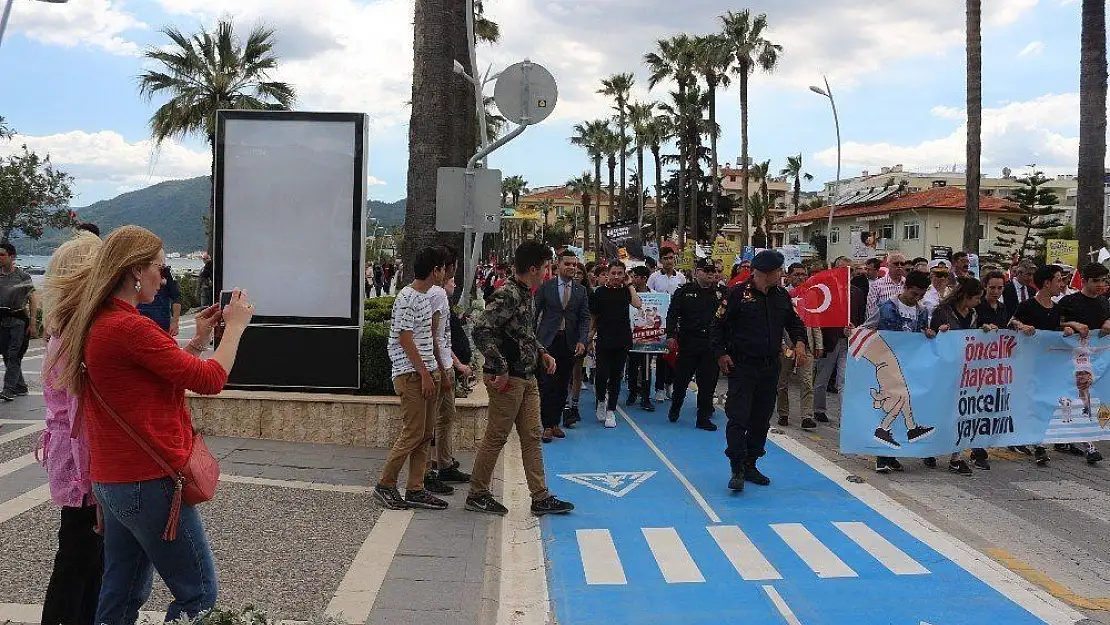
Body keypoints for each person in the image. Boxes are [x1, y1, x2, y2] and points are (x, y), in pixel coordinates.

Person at [54, 225, 252, 624]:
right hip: (149, 480)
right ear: (135, 271)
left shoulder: (101, 321)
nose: (165, 278)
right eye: (161, 269)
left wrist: (197, 341)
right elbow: (210, 380)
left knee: (123, 590)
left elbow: (160, 376)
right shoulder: (129, 327)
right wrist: (235, 329)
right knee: (198, 594)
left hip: (113, 481)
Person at [467, 241, 574, 517]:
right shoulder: (507, 295)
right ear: (533, 268)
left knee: (531, 437)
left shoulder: (527, 293)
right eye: (546, 268)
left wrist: (542, 352)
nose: (547, 273)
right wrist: (499, 367)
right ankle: (477, 493)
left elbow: (523, 332)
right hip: (508, 380)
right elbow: (481, 330)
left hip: (527, 376)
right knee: (497, 436)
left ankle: (540, 496)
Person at [38, 232, 104, 625]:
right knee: (78, 559)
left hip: (69, 458)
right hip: (81, 467)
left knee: (83, 558)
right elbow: (79, 416)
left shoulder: (60, 330)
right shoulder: (76, 338)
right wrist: (91, 485)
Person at [713, 250, 807, 492]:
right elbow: (717, 326)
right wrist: (721, 354)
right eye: (778, 271)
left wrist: (798, 343)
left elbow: (795, 322)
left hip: (769, 367)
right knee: (738, 417)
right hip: (742, 366)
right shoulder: (736, 294)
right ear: (766, 273)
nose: (781, 275)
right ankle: (737, 467)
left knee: (761, 419)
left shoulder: (780, 296)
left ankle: (751, 463)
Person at [374, 247, 450, 511]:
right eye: (442, 268)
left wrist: (435, 371)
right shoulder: (407, 297)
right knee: (413, 432)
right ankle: (386, 484)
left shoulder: (424, 297)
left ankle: (416, 487)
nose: (444, 273)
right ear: (434, 270)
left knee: (425, 434)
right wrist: (425, 374)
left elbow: (423, 336)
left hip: (426, 373)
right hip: (412, 375)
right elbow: (404, 338)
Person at [861, 270, 936, 473]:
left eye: (921, 295)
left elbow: (922, 333)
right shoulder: (887, 307)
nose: (917, 298)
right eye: (914, 294)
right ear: (905, 287)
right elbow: (868, 327)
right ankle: (884, 450)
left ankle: (892, 446)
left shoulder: (921, 311)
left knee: (903, 399)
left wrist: (927, 333)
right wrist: (854, 332)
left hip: (907, 365)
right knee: (898, 399)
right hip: (888, 362)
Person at [424, 246, 474, 495]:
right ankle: (425, 473)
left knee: (446, 417)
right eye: (450, 269)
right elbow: (433, 338)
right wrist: (445, 372)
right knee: (428, 423)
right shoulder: (436, 295)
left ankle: (443, 464)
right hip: (438, 369)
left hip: (444, 366)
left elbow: (443, 339)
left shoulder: (441, 296)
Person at [1009, 264, 1070, 467]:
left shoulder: (1057, 308)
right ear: (1046, 283)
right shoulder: (1027, 306)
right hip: (1027, 365)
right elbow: (1011, 323)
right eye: (1058, 279)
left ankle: (1040, 441)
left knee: (1046, 404)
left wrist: (1069, 328)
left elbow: (1056, 329)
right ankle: (1033, 442)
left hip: (1049, 366)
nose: (1061, 284)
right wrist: (1021, 326)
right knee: (1031, 403)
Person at [929, 276, 991, 474]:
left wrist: (985, 331)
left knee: (963, 413)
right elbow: (931, 338)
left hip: (966, 372)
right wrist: (939, 332)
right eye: (977, 298)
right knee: (940, 413)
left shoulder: (972, 314)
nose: (979, 302)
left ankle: (956, 457)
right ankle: (929, 449)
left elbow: (973, 337)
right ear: (965, 296)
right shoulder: (942, 312)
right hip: (945, 370)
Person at [1053, 261, 1110, 464]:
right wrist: (1071, 324)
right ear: (1085, 281)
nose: (1101, 285)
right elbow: (1052, 323)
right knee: (1081, 397)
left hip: (1097, 359)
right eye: (1096, 281)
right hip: (1072, 358)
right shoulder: (1070, 301)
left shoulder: (1104, 303)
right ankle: (1089, 444)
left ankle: (1075, 437)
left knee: (1089, 398)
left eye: (1104, 281)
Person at [666, 257, 728, 431]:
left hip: (711, 345)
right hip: (689, 343)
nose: (711, 274)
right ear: (696, 273)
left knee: (708, 383)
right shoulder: (684, 292)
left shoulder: (722, 293)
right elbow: (672, 315)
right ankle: (675, 407)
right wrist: (670, 335)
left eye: (713, 271)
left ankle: (703, 417)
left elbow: (728, 319)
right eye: (706, 271)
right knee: (681, 381)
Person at [534, 249, 590, 442]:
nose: (572, 268)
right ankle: (547, 425)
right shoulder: (545, 287)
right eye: (568, 264)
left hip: (569, 342)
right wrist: (533, 341)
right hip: (548, 341)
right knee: (547, 384)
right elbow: (534, 315)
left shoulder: (580, 291)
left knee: (563, 385)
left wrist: (583, 340)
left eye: (574, 264)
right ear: (558, 265)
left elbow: (584, 318)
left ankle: (556, 423)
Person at [590, 261, 644, 428]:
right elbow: (594, 316)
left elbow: (637, 304)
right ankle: (600, 400)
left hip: (622, 339)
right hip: (604, 338)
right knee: (601, 375)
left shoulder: (626, 291)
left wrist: (629, 285)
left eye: (620, 273)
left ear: (624, 275)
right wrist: (590, 335)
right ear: (608, 273)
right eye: (613, 273)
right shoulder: (599, 292)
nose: (616, 276)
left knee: (616, 376)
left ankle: (611, 410)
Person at [777, 263, 824, 430]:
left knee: (806, 382)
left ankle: (807, 416)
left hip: (808, 345)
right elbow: (779, 324)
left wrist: (819, 343)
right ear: (788, 276)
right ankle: (783, 413)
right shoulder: (783, 294)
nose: (801, 278)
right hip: (788, 345)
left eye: (804, 274)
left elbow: (815, 320)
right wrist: (781, 344)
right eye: (797, 274)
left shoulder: (811, 295)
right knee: (783, 381)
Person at [814, 257, 861, 420]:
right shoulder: (824, 290)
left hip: (848, 340)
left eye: (850, 270)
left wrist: (854, 328)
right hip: (829, 340)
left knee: (844, 380)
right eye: (842, 269)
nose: (847, 273)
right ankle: (819, 409)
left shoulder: (857, 292)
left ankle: (844, 416)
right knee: (822, 378)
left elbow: (860, 316)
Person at [0, 242, 38, 401]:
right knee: (6, 355)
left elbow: (33, 298)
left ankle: (8, 389)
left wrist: (33, 323)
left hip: (18, 320)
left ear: (12, 257)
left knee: (14, 354)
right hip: (2, 320)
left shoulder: (22, 276)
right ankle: (21, 387)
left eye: (2, 255)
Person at [648, 248, 685, 402]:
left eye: (671, 258)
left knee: (674, 354)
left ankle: (669, 383)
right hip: (658, 322)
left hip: (676, 322)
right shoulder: (654, 277)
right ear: (661, 260)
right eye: (666, 258)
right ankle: (659, 388)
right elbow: (648, 297)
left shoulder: (681, 278)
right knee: (661, 356)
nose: (669, 261)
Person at [624, 265, 655, 411]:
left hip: (648, 336)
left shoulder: (654, 295)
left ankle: (646, 396)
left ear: (644, 278)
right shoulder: (629, 293)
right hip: (631, 335)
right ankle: (632, 393)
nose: (633, 279)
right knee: (632, 365)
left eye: (636, 276)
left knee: (646, 367)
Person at [137, 266, 182, 336]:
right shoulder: (135, 270)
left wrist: (175, 322)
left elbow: (176, 297)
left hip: (161, 322)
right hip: (139, 320)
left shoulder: (165, 271)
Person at [865, 252, 908, 320]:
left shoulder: (908, 284)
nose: (899, 266)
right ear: (887, 265)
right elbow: (871, 309)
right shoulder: (877, 285)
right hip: (883, 326)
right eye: (896, 264)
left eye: (902, 264)